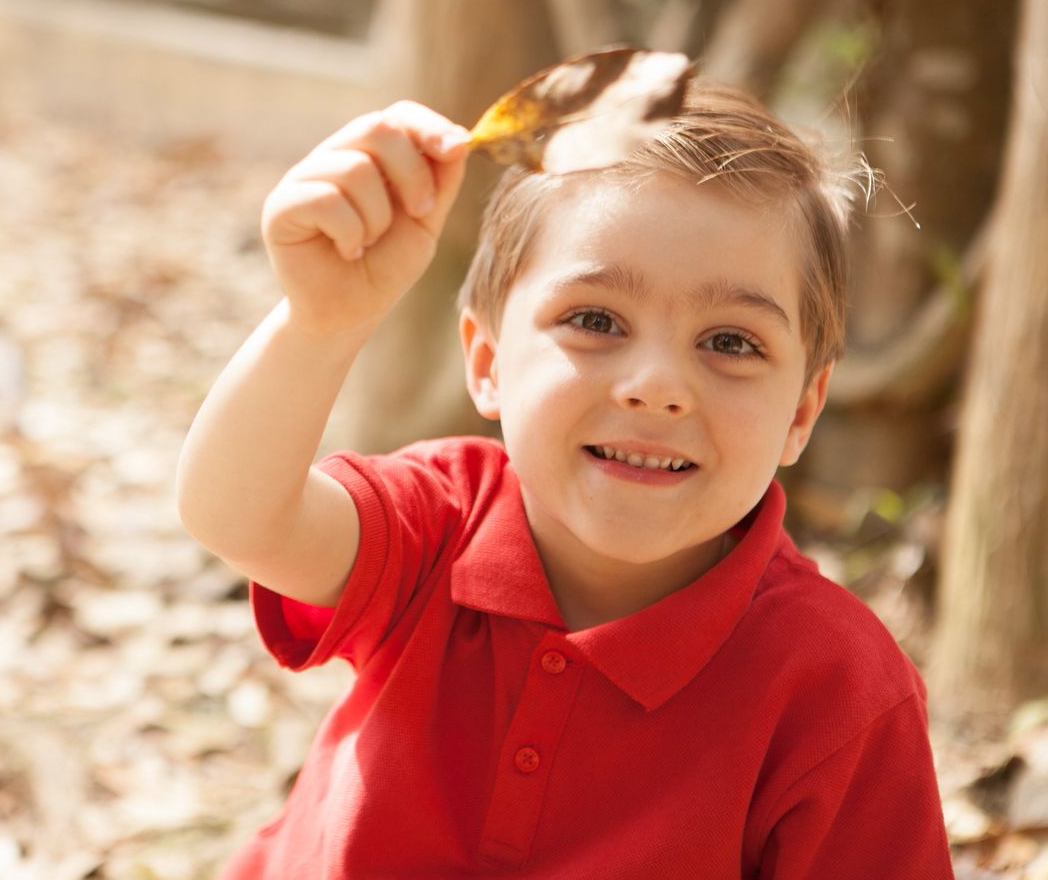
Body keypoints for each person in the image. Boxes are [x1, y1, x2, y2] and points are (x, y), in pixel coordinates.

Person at [174, 81, 954, 878]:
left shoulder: (838, 689)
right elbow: (240, 518)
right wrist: (320, 322)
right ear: (487, 362)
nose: (656, 386)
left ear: (802, 411)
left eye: (730, 342)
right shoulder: (438, 521)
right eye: (595, 321)